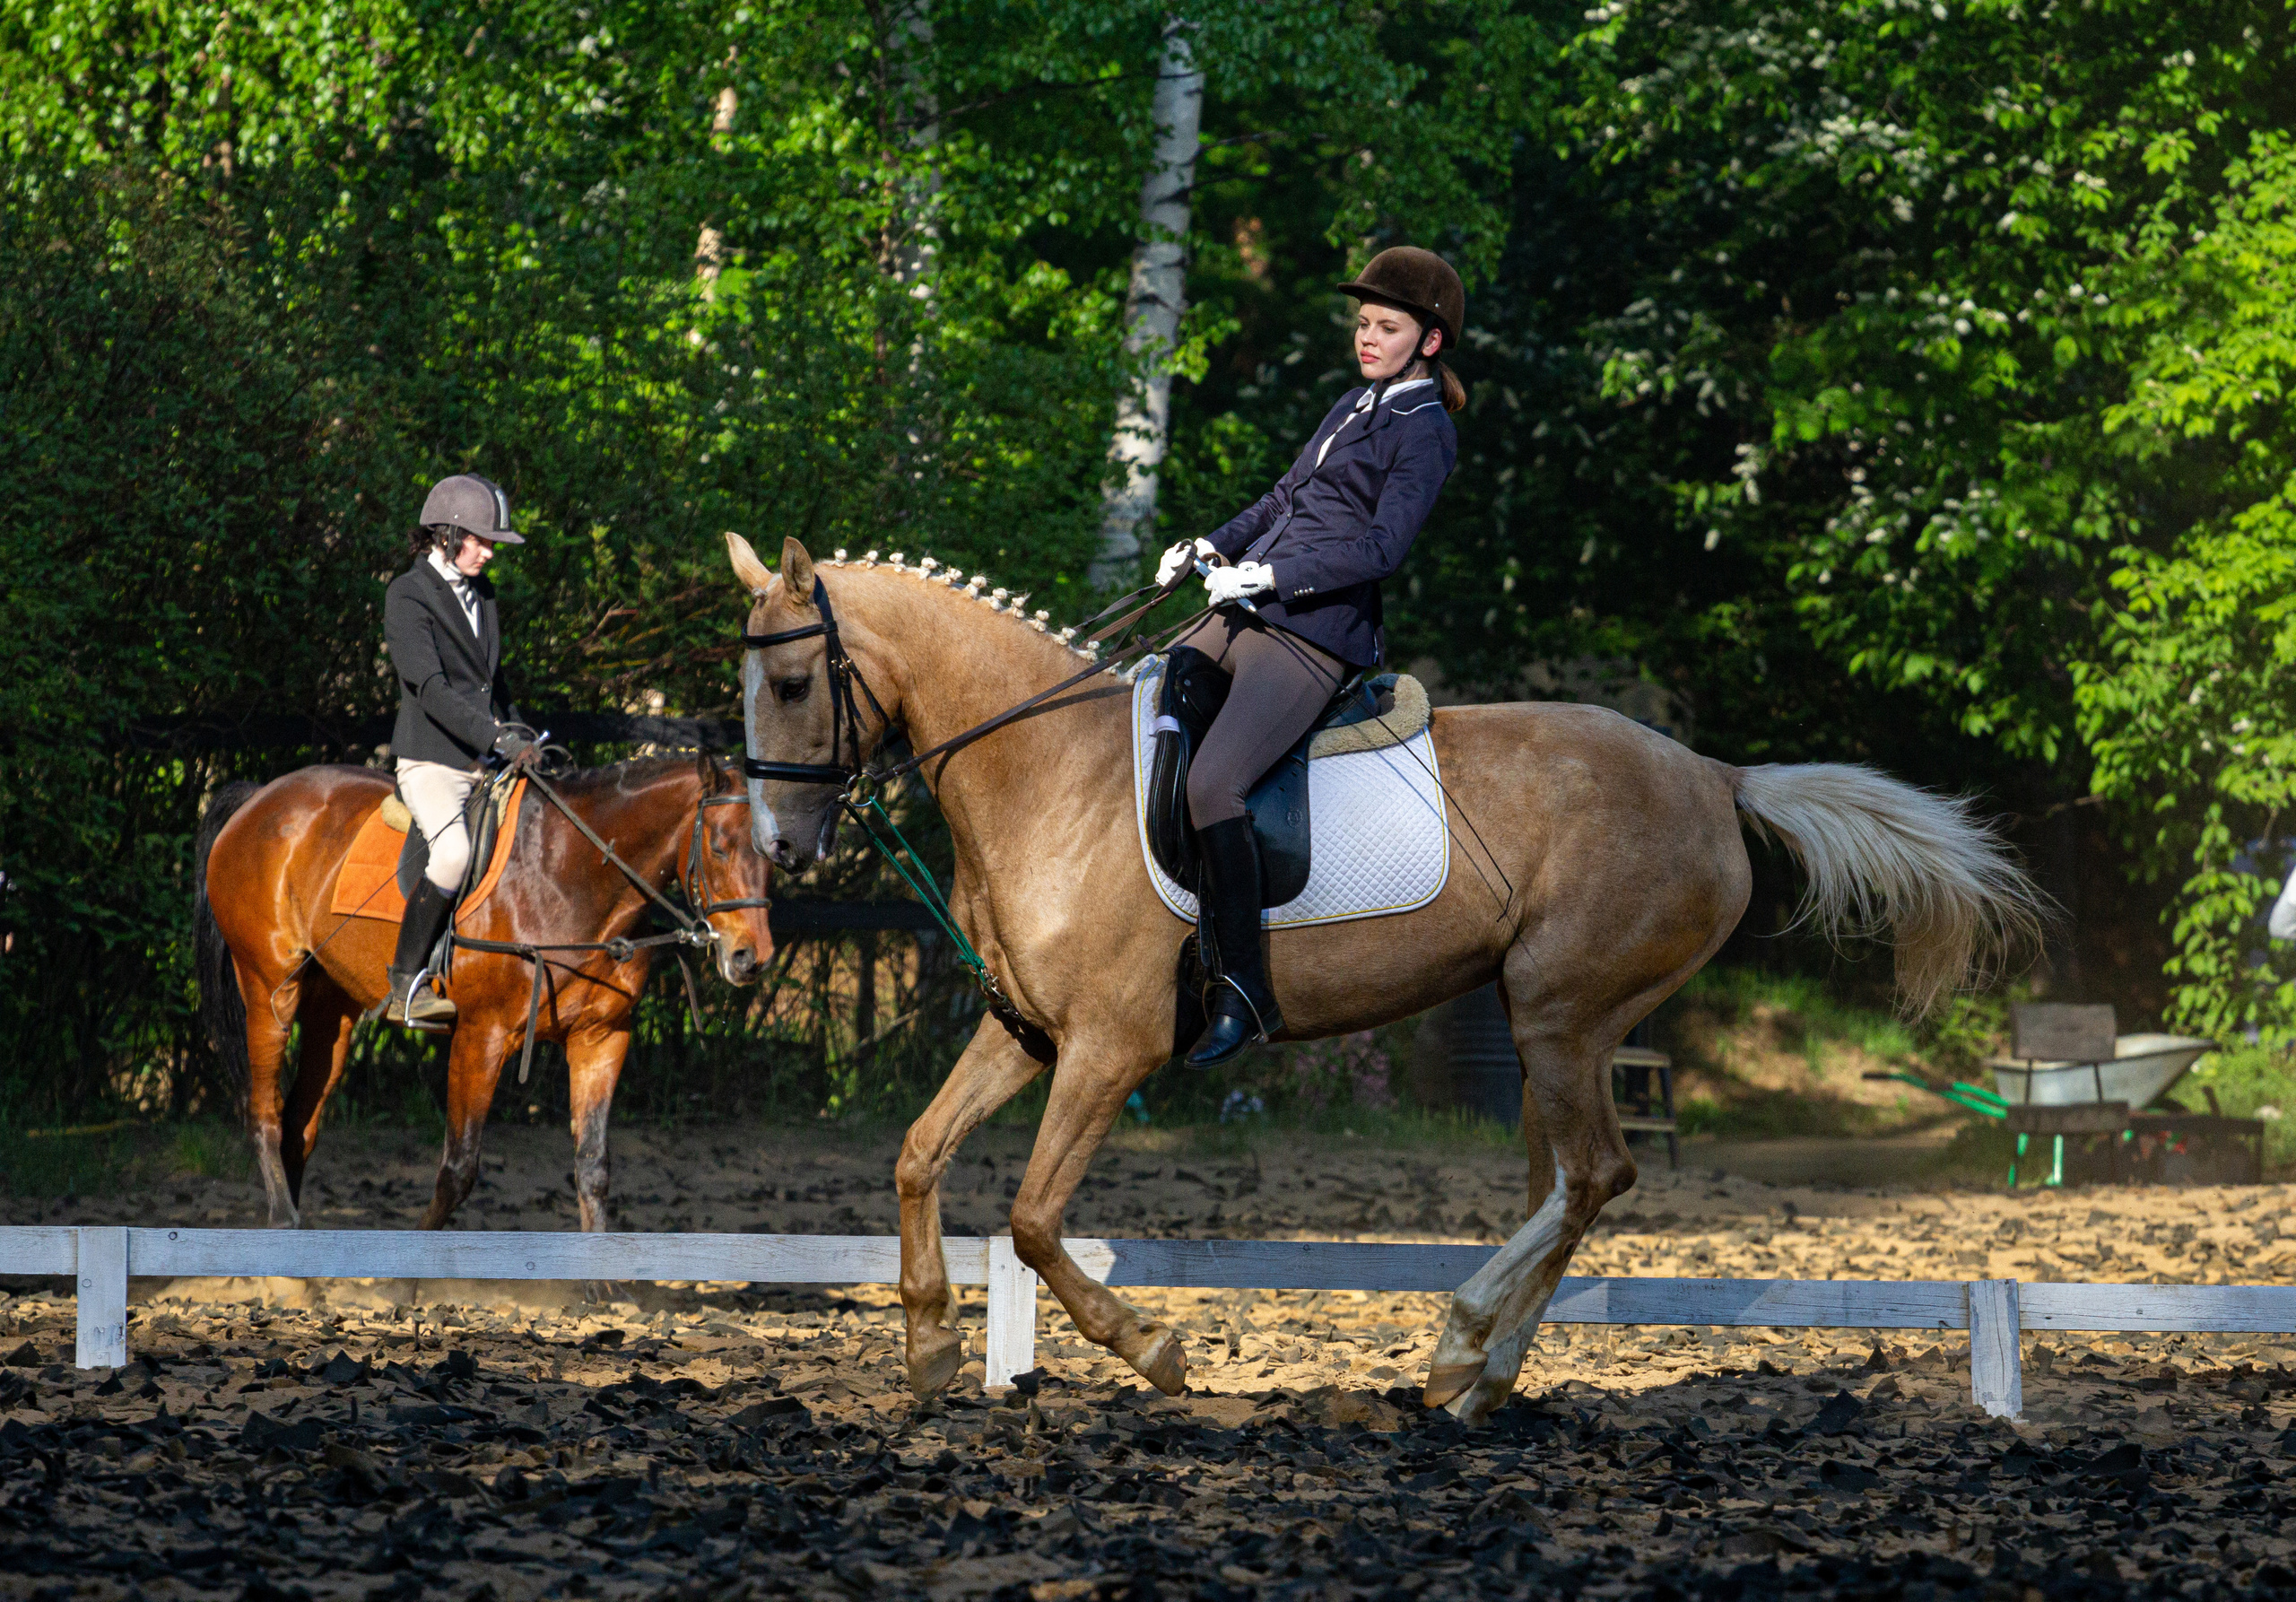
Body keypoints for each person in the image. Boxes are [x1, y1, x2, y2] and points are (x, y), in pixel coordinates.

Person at [1156, 246, 1466, 1067]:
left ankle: (1246, 988)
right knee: (1161, 689)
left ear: (1428, 342)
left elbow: (1380, 549)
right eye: (1362, 324)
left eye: (1386, 327)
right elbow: (1282, 500)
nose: (1367, 338)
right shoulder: (1352, 404)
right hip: (1252, 603)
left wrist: (1269, 575)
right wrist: (1208, 547)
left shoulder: (1427, 431)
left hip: (1314, 632)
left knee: (1215, 782)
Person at [381, 474, 533, 1029]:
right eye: (481, 539)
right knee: (452, 856)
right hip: (432, 759)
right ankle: (407, 985)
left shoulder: (483, 595)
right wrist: (493, 737)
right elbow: (431, 688)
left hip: (485, 757)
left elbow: (494, 683)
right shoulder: (407, 594)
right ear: (446, 535)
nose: (490, 552)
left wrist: (521, 733)